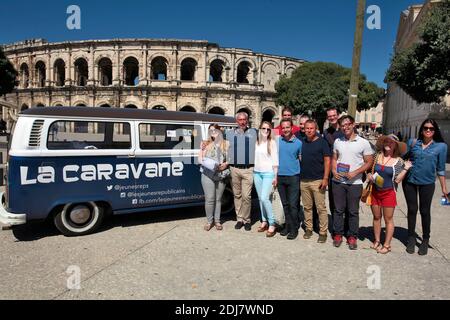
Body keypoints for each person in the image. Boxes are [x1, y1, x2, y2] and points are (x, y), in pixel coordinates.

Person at [403, 119, 449, 255]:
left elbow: (440, 169)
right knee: (412, 209)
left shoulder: (441, 147)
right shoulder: (412, 142)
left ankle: (425, 239)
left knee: (424, 211)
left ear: (435, 131)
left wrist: (444, 188)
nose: (428, 130)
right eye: (426, 128)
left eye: (431, 128)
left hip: (427, 183)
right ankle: (411, 238)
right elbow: (402, 158)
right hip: (409, 181)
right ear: (422, 129)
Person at [331, 115, 374, 250]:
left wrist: (355, 173)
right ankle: (338, 234)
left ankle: (352, 236)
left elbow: (369, 162)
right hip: (338, 181)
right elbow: (334, 158)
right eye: (343, 125)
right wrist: (333, 170)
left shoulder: (363, 142)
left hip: (355, 183)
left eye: (348, 124)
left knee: (353, 211)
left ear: (353, 124)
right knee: (338, 210)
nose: (345, 127)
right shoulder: (337, 141)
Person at [368, 134, 412, 254]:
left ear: (395, 146)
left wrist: (406, 168)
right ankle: (377, 241)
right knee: (376, 217)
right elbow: (369, 170)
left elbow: (397, 180)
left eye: (391, 143)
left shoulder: (399, 161)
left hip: (388, 193)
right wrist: (369, 176)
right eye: (386, 142)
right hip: (375, 192)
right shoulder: (377, 156)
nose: (388, 144)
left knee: (388, 219)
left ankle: (387, 245)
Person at [300, 120, 331, 243]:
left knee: (320, 208)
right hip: (304, 180)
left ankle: (323, 232)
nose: (308, 130)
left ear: (315, 129)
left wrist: (325, 178)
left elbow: (327, 161)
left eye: (311, 128)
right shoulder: (302, 142)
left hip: (318, 180)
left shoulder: (322, 142)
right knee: (307, 207)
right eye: (307, 128)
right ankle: (309, 228)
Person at [226, 112, 258, 231]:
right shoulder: (229, 134)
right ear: (236, 121)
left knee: (247, 196)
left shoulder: (255, 132)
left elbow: (269, 138)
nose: (242, 122)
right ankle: (239, 219)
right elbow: (221, 146)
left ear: (248, 120)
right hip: (234, 169)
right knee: (237, 195)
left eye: (244, 119)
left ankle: (247, 219)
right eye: (240, 120)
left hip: (248, 169)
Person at [198, 124, 230, 231]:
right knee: (209, 199)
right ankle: (209, 221)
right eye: (211, 131)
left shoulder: (226, 143)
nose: (213, 133)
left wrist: (225, 164)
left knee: (218, 199)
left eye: (215, 131)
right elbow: (199, 159)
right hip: (208, 173)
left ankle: (217, 221)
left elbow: (231, 158)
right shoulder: (205, 143)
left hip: (221, 174)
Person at [277, 119, 302, 240]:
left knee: (293, 205)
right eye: (283, 128)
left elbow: (301, 159)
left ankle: (294, 228)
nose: (286, 130)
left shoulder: (298, 143)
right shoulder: (277, 141)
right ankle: (287, 226)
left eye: (288, 127)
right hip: (280, 176)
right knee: (285, 204)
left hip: (293, 177)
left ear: (292, 128)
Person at [254, 121, 279, 237]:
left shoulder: (272, 142)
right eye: (263, 128)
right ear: (260, 129)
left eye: (268, 129)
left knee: (265, 198)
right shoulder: (257, 142)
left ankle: (272, 222)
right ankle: (264, 221)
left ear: (270, 131)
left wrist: (275, 176)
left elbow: (275, 161)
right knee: (260, 198)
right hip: (257, 173)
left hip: (268, 173)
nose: (265, 131)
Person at [322, 107, 345, 231]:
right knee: (332, 199)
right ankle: (337, 228)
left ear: (338, 115)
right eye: (329, 116)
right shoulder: (326, 132)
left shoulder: (345, 129)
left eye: (334, 115)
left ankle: (345, 226)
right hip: (332, 168)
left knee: (345, 200)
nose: (332, 117)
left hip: (346, 169)